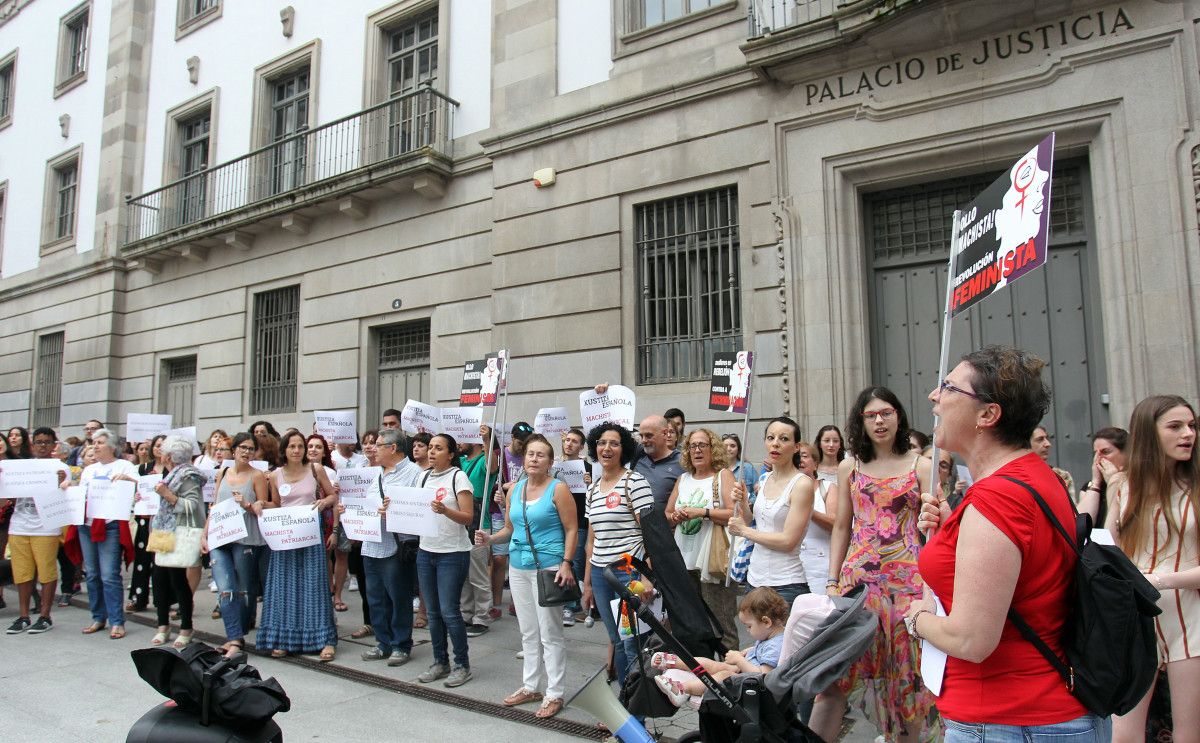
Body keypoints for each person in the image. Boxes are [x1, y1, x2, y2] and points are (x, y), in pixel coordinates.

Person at [904, 345, 1107, 743]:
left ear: (987, 414)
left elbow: (971, 640)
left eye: (948, 387)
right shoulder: (1032, 475)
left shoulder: (997, 499)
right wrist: (955, 528)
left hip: (1009, 721)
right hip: (1034, 715)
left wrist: (916, 619)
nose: (933, 396)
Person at [811, 387, 936, 743]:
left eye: (886, 413)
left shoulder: (922, 466)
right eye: (870, 415)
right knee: (836, 675)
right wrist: (832, 580)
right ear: (860, 421)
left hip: (909, 584)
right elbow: (841, 526)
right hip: (859, 583)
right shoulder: (851, 465)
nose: (879, 421)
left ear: (899, 416)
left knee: (907, 680)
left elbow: (936, 531)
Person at [1105, 396, 1200, 743]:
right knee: (1123, 733)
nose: (1188, 434)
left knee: (1189, 735)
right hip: (1136, 617)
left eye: (1191, 426)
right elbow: (1108, 550)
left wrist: (1159, 580)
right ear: (1148, 433)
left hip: (1192, 618)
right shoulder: (1124, 486)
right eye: (1175, 427)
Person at [477, 433, 578, 719]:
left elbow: (572, 529)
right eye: (530, 454)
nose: (534, 459)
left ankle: (554, 692)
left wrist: (567, 563)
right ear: (524, 459)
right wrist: (489, 538)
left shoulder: (558, 489)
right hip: (519, 566)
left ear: (550, 461)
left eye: (540, 455)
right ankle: (530, 685)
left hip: (548, 566)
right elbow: (509, 529)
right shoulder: (515, 490)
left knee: (550, 632)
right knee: (528, 631)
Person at [580, 421, 655, 685]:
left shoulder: (635, 482)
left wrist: (647, 577)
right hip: (601, 574)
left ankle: (635, 715)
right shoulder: (592, 489)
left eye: (614, 443)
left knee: (632, 643)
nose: (606, 448)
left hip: (627, 573)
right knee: (617, 642)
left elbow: (651, 536)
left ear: (624, 449)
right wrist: (588, 583)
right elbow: (591, 540)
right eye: (601, 442)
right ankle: (624, 703)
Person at [259, 431, 340, 661]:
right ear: (284, 450)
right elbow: (276, 503)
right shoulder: (275, 476)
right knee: (285, 589)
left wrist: (324, 501)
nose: (297, 450)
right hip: (285, 537)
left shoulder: (316, 470)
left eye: (300, 446)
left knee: (314, 587)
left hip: (309, 535)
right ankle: (286, 639)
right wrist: (258, 504)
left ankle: (324, 640)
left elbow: (333, 496)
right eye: (292, 446)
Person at [652, 586, 791, 709]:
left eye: (749, 626)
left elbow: (764, 676)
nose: (748, 631)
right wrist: (747, 652)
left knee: (723, 675)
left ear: (766, 622)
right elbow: (761, 652)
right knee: (714, 665)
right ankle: (674, 662)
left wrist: (739, 660)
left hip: (750, 684)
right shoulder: (772, 637)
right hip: (744, 675)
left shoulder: (776, 645)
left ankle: (682, 689)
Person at [729, 417, 815, 607]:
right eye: (770, 437)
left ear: (796, 447)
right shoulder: (765, 478)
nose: (775, 443)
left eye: (784, 439)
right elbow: (756, 523)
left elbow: (787, 541)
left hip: (785, 584)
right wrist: (743, 502)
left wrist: (743, 531)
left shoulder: (801, 484)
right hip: (754, 580)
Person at [665, 427, 739, 648]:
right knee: (694, 624)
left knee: (722, 623)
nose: (696, 450)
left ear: (712, 449)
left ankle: (731, 676)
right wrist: (675, 516)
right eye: (692, 446)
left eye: (702, 445)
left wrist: (703, 513)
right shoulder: (683, 479)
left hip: (712, 562)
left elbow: (735, 515)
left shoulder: (722, 475)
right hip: (684, 560)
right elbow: (667, 515)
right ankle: (702, 672)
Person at [415, 433, 476, 688]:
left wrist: (445, 510)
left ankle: (462, 664)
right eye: (430, 447)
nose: (431, 452)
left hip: (452, 552)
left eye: (438, 448)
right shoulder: (423, 476)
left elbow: (467, 518)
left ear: (450, 454)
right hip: (426, 550)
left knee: (450, 611)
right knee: (434, 611)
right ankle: (440, 661)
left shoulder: (458, 477)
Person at [360, 428, 423, 667]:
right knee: (375, 597)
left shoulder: (414, 473)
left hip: (396, 545)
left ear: (393, 448)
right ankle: (382, 642)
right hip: (372, 542)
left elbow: (418, 509)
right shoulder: (375, 473)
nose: (373, 449)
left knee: (398, 597)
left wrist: (393, 510)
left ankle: (401, 644)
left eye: (378, 445)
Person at [203, 432, 269, 658]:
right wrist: (205, 534)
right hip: (220, 537)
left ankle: (236, 636)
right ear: (234, 450)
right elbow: (215, 506)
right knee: (225, 589)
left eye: (251, 449)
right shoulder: (223, 471)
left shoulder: (258, 475)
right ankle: (235, 638)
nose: (246, 452)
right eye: (242, 447)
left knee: (243, 590)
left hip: (245, 538)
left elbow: (262, 507)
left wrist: (248, 504)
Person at [2, 427, 70, 635]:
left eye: (46, 442)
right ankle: (23, 616)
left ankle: (44, 615)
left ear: (53, 445)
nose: (42, 446)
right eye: (38, 442)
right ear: (32, 444)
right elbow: (7, 497)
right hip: (20, 524)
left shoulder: (60, 467)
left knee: (46, 572)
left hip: (46, 527)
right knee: (22, 572)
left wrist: (61, 482)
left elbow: (67, 492)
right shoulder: (22, 466)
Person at [77, 428, 139, 639]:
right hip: (87, 525)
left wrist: (129, 481)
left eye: (100, 442)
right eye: (93, 442)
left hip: (110, 526)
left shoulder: (125, 466)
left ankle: (116, 620)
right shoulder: (88, 470)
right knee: (92, 574)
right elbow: (80, 495)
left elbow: (141, 490)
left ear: (112, 447)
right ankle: (98, 617)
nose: (95, 445)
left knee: (109, 575)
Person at [148, 436, 205, 649]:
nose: (161, 454)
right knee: (160, 579)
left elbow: (192, 506)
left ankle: (186, 627)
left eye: (163, 451)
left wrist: (166, 494)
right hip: (164, 530)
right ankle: (162, 625)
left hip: (180, 531)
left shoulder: (188, 476)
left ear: (170, 456)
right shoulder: (173, 473)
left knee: (178, 581)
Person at [459, 433, 498, 636]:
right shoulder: (460, 461)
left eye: (462, 437)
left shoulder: (484, 459)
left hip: (480, 525)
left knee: (478, 574)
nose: (458, 441)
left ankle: (482, 616)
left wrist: (486, 440)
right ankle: (466, 613)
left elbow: (492, 467)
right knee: (464, 573)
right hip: (461, 524)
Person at [128, 434, 167, 614]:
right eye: (157, 445)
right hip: (144, 517)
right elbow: (139, 490)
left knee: (161, 562)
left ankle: (163, 601)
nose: (159, 448)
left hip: (163, 519)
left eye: (163, 445)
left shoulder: (172, 470)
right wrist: (138, 496)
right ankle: (138, 597)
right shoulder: (144, 468)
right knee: (141, 559)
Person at [558, 427, 590, 625]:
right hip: (559, 521)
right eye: (567, 440)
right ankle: (568, 603)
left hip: (579, 522)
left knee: (575, 563)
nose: (569, 443)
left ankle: (572, 606)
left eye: (574, 441)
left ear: (581, 446)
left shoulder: (588, 468)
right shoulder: (556, 467)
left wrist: (590, 483)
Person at [797, 441, 836, 593]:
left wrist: (808, 510)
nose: (800, 460)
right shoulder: (784, 489)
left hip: (820, 566)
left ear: (815, 464)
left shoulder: (828, 488)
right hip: (792, 567)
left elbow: (835, 523)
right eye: (796, 457)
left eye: (804, 456)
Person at [1079, 426, 1127, 527]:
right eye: (1095, 454)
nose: (1098, 459)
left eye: (1105, 452)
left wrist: (1114, 481)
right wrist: (1096, 482)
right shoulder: (1090, 486)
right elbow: (1081, 526)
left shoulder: (1136, 484)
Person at [1031, 425, 1075, 495]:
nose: (1048, 444)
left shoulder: (1062, 476)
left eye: (1047, 438)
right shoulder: (1013, 475)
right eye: (1040, 439)